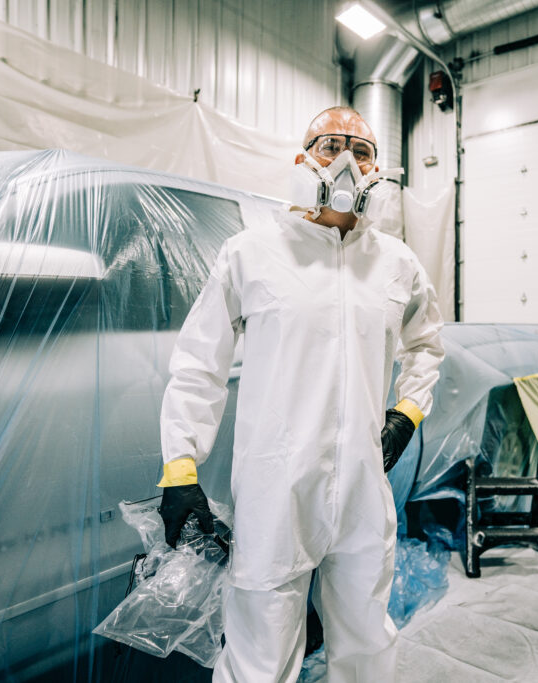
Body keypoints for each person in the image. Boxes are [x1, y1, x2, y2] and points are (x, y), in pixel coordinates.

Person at [156, 106, 445, 682]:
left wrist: (406, 413)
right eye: (327, 145)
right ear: (301, 159)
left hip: (364, 487)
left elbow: (428, 344)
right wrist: (181, 466)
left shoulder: (396, 263)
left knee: (366, 642)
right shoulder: (251, 253)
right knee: (258, 654)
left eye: (360, 152)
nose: (343, 161)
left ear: (376, 171)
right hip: (275, 491)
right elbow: (199, 364)